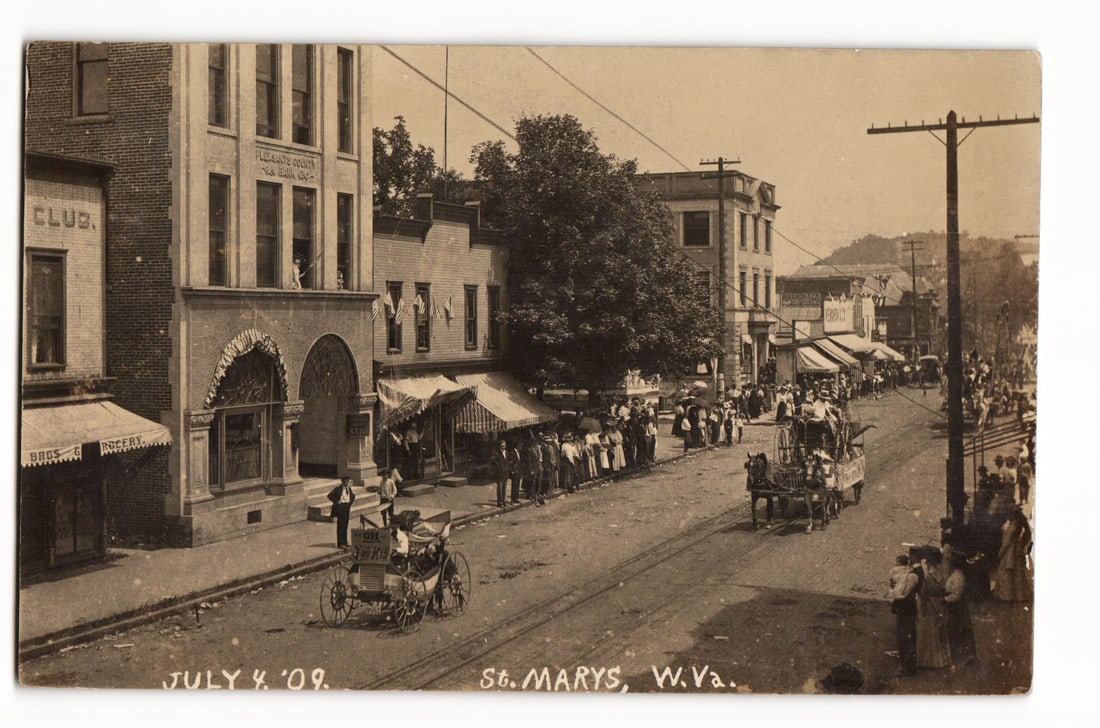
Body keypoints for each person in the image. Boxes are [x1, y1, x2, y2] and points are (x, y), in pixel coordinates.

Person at [915, 551, 951, 669]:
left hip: (929, 603)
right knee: (938, 630)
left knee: (927, 630)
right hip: (939, 603)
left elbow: (923, 593)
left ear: (929, 562)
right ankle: (941, 660)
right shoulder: (942, 574)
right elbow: (944, 589)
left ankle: (926, 661)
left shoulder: (928, 576)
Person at [991, 506, 1033, 602]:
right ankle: (1019, 595)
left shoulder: (1014, 525)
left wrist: (1001, 550)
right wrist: (1022, 544)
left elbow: (1007, 540)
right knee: (1017, 572)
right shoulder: (1019, 524)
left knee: (1008, 571)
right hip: (1017, 549)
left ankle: (1008, 595)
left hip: (1011, 550)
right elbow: (1027, 535)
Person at [943, 552, 978, 668]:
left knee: (958, 629)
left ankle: (962, 657)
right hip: (957, 607)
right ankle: (963, 656)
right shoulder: (956, 574)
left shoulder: (958, 576)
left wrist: (944, 599)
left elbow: (956, 595)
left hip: (957, 608)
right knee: (958, 630)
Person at [888, 554, 920, 676]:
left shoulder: (910, 576)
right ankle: (908, 664)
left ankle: (906, 666)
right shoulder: (912, 574)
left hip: (904, 606)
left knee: (903, 635)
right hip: (909, 606)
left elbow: (899, 592)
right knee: (908, 634)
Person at [327, 476, 356, 549]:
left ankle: (345, 541)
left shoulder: (348, 488)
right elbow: (329, 496)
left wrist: (349, 504)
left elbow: (352, 496)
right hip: (341, 508)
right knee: (340, 526)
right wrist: (337, 502)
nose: (346, 482)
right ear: (342, 481)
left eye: (347, 481)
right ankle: (340, 543)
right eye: (345, 481)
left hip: (346, 508)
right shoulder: (338, 489)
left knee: (345, 525)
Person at [489, 439, 510, 509]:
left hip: (505, 473)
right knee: (500, 488)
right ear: (500, 446)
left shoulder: (506, 453)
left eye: (504, 445)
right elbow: (492, 460)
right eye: (502, 445)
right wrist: (498, 466)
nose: (503, 447)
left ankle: (503, 501)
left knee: (504, 488)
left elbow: (509, 460)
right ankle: (499, 502)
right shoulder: (497, 453)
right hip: (499, 473)